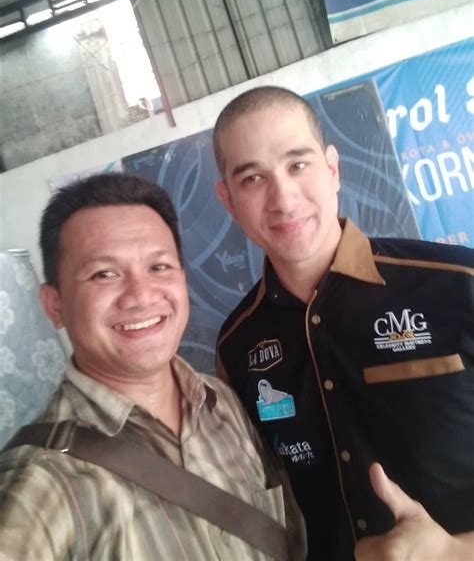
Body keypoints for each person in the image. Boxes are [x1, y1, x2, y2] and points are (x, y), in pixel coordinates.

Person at [213, 86, 474, 560]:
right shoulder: (237, 347)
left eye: (298, 165)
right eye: (252, 178)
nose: (283, 199)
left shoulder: (458, 286)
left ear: (332, 168)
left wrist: (458, 551)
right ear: (228, 201)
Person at [0, 172, 306, 560]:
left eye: (159, 267)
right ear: (54, 305)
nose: (141, 295)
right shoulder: (38, 483)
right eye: (104, 274)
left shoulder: (223, 402)